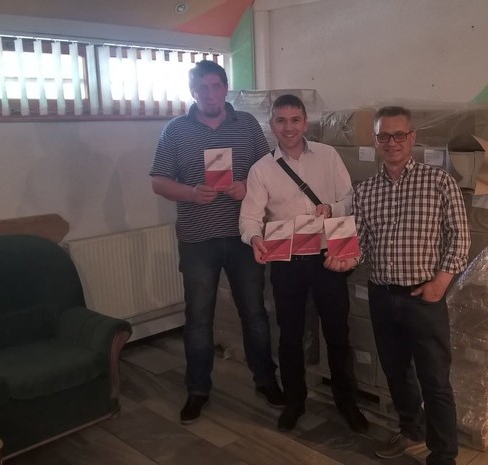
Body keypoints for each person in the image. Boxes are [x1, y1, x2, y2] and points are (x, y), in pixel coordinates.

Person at [325, 106, 470, 465]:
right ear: (375, 140)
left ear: (412, 137)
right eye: (383, 136)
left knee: (435, 380)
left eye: (399, 135)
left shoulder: (438, 182)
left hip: (424, 298)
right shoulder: (365, 191)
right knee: (397, 373)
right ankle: (410, 432)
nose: (391, 142)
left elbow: (460, 237)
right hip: (382, 296)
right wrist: (345, 261)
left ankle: (443, 455)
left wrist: (441, 282)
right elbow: (361, 245)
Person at [149, 60, 284, 424]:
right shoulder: (175, 130)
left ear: (225, 88)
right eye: (202, 88)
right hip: (197, 239)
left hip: (243, 235)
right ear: (192, 91)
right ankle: (197, 389)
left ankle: (266, 380)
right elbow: (159, 181)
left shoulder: (247, 125)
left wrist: (247, 186)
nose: (209, 94)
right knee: (198, 317)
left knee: (254, 312)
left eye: (215, 86)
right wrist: (192, 193)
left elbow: (268, 172)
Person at [239, 94, 368, 433]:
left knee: (337, 333)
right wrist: (254, 238)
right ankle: (295, 402)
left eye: (295, 120)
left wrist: (331, 208)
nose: (289, 127)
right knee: (290, 336)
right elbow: (250, 216)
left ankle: (346, 401)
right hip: (287, 261)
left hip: (329, 257)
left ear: (305, 122)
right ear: (272, 126)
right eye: (281, 121)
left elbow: (351, 198)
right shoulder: (261, 169)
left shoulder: (328, 155)